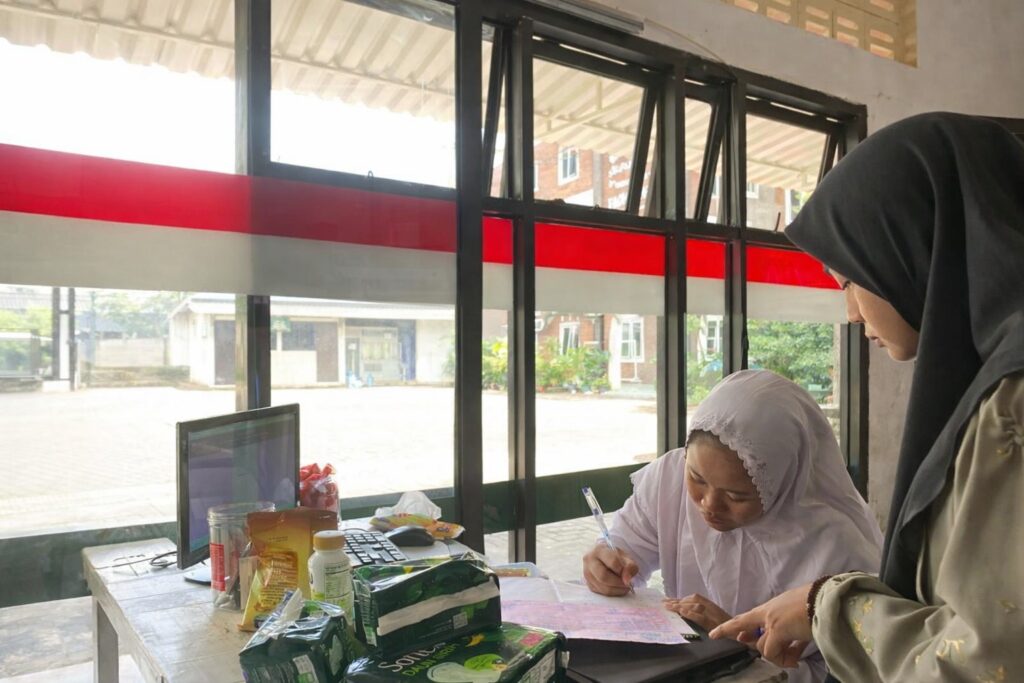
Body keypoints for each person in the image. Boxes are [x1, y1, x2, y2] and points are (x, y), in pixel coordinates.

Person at [710, 112, 1024, 682]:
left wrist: (832, 608)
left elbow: (985, 663)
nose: (852, 314)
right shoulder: (991, 379)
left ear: (911, 247)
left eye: (849, 281)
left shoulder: (1012, 402)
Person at [582, 369, 883, 683]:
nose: (709, 505)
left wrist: (741, 646)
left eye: (736, 495)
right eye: (697, 479)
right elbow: (628, 545)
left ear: (780, 485)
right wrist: (608, 563)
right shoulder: (670, 478)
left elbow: (852, 673)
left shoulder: (837, 547)